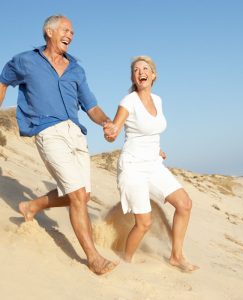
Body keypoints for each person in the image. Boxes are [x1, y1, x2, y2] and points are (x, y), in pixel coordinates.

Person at [0, 15, 118, 275]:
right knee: (77, 196)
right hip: (48, 131)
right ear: (49, 32)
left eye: (73, 32)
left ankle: (32, 206)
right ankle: (93, 258)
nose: (71, 35)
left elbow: (92, 107)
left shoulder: (76, 69)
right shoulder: (25, 61)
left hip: (76, 133)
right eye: (66, 30)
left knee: (82, 195)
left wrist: (107, 122)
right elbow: (4, 79)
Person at [104, 56, 198, 272]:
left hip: (153, 164)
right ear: (133, 77)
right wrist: (110, 132)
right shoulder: (129, 101)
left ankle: (176, 256)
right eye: (136, 70)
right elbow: (115, 130)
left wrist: (156, 149)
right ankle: (126, 261)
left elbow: (150, 131)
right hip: (133, 166)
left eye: (145, 69)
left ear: (153, 75)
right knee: (144, 223)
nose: (140, 72)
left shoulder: (158, 99)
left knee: (184, 204)